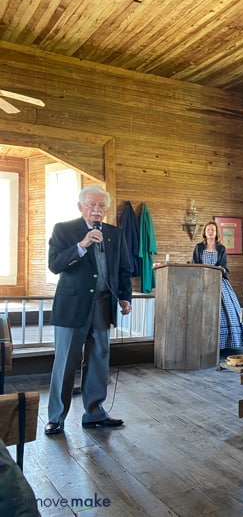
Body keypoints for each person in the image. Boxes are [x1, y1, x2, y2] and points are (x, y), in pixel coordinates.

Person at [45, 186, 133, 435]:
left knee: (98, 361)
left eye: (102, 206)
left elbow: (123, 269)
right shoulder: (64, 229)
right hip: (72, 306)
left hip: (104, 306)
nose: (97, 209)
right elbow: (54, 264)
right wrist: (81, 245)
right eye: (92, 204)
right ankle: (56, 417)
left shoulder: (116, 234)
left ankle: (94, 413)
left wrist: (125, 298)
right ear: (80, 206)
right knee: (65, 363)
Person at [191, 221, 243, 351]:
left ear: (216, 232)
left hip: (218, 281)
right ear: (204, 232)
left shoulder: (221, 248)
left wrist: (219, 269)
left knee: (227, 308)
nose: (210, 232)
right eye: (208, 230)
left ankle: (227, 342)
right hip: (202, 281)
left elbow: (223, 265)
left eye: (213, 230)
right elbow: (194, 263)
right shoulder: (199, 247)